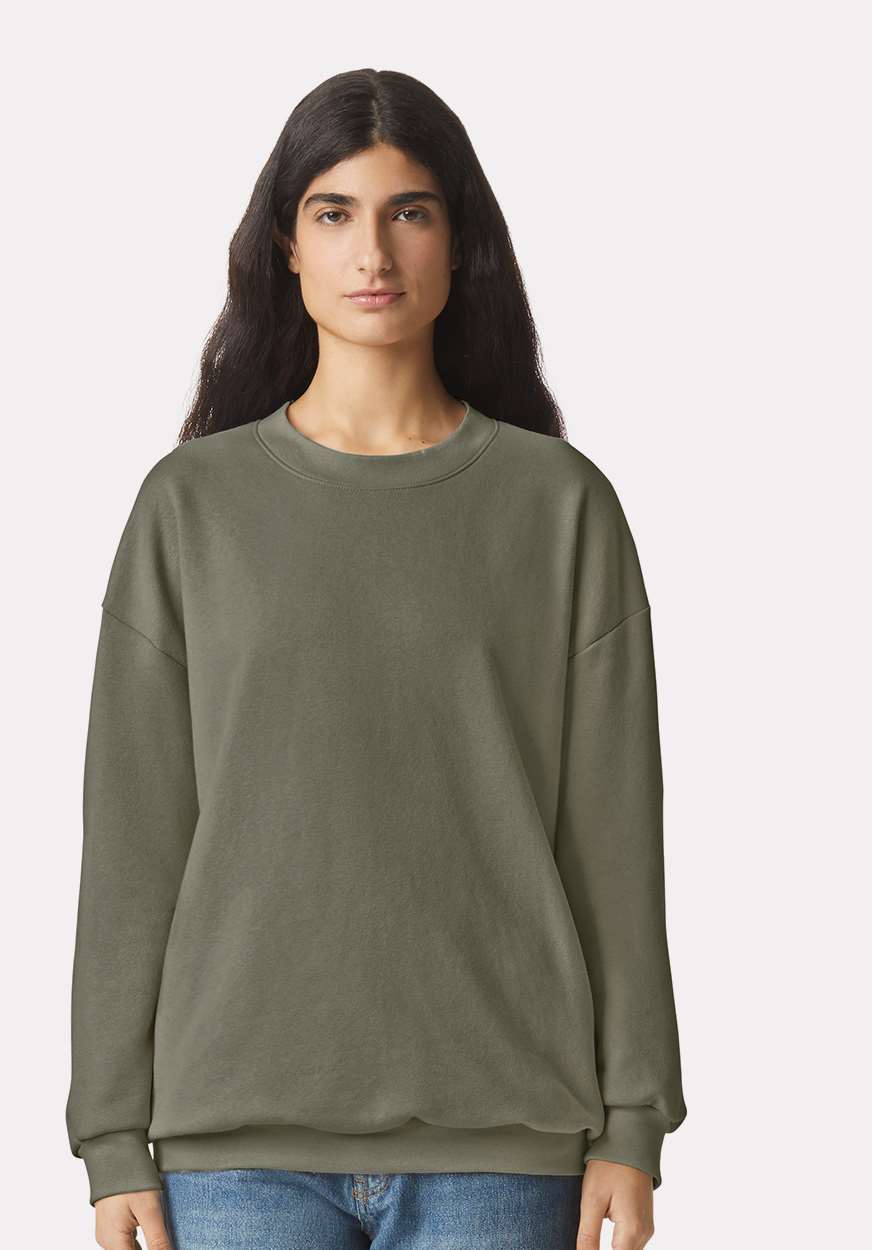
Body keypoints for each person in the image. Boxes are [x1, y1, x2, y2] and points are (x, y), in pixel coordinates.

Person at [66, 67, 688, 1250]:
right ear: (285, 246)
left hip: (503, 1132)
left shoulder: (557, 506)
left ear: (460, 244)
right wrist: (109, 1133)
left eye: (409, 211)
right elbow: (135, 837)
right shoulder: (191, 506)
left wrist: (631, 1121)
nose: (373, 252)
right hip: (232, 1144)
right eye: (333, 211)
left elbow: (614, 836)